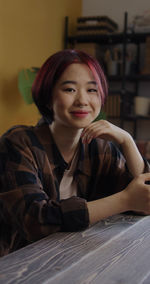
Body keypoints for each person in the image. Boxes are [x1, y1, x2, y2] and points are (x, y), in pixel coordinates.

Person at [0, 49, 150, 257]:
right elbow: (34, 219)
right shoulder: (18, 143)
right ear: (47, 96)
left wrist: (127, 140)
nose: (82, 100)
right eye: (70, 89)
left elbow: (145, 197)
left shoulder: (98, 148)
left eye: (92, 90)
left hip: (68, 259)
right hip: (14, 266)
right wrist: (124, 200)